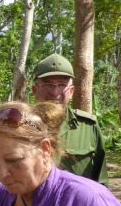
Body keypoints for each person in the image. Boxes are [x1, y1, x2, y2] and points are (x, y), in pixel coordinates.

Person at [30, 54, 108, 183]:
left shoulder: (88, 126)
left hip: (78, 202)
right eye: (48, 85)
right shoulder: (20, 125)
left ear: (71, 91)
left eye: (61, 85)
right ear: (34, 90)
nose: (55, 92)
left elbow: (101, 180)